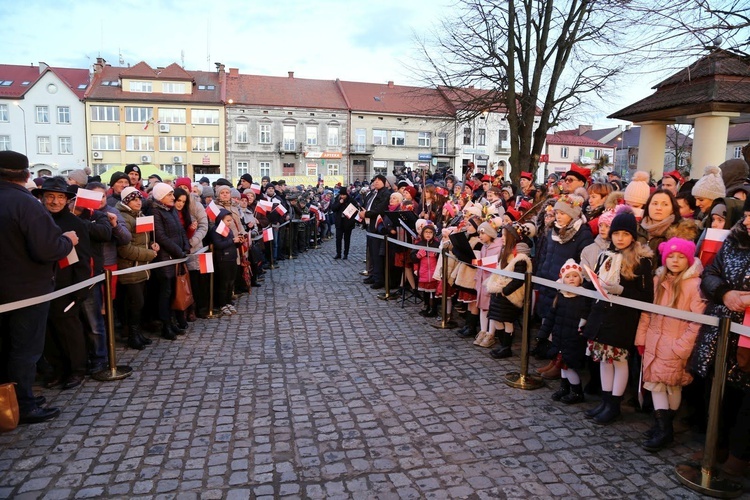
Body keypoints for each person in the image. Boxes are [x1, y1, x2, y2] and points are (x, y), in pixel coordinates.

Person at [0, 152, 76, 423]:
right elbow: (47, 249)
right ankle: (23, 403)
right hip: (26, 291)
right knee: (25, 350)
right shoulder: (26, 203)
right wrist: (68, 241)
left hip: (8, 291)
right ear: (26, 174)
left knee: (7, 347)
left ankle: (9, 398)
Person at [690, 198, 750, 475]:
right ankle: (717, 443)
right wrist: (725, 293)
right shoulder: (733, 239)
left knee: (745, 397)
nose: (746, 221)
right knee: (717, 390)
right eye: (746, 214)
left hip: (747, 334)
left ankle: (740, 456)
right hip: (722, 327)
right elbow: (711, 272)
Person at [582, 208, 654, 425]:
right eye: (616, 234)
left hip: (623, 318)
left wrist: (621, 291)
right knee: (604, 360)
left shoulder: (642, 261)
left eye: (625, 234)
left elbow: (646, 296)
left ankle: (614, 405)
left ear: (633, 236)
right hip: (602, 314)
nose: (620, 238)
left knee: (619, 361)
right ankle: (605, 401)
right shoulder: (605, 255)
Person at [634, 237, 705, 452]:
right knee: (656, 383)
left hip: (675, 344)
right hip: (655, 342)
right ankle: (663, 427)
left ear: (689, 259)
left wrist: (682, 346)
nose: (675, 260)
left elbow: (699, 321)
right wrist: (642, 338)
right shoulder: (658, 281)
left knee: (672, 384)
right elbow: (647, 312)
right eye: (671, 256)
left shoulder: (694, 285)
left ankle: (665, 426)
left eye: (680, 256)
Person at [33, 177, 92, 392]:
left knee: (69, 329)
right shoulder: (37, 220)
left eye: (59, 197)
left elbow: (84, 259)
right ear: (42, 198)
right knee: (48, 331)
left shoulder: (75, 223)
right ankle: (58, 369)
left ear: (67, 200)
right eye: (50, 196)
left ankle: (77, 369)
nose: (55, 201)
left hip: (67, 286)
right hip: (40, 286)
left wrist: (80, 290)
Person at [539, 259, 590, 404]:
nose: (571, 279)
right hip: (559, 337)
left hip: (573, 339)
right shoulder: (560, 296)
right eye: (568, 276)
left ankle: (576, 391)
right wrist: (542, 334)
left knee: (569, 367)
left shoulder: (583, 297)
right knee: (562, 365)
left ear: (580, 278)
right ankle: (564, 387)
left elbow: (586, 317)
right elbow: (551, 317)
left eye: (574, 276)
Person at [116, 187, 159, 349]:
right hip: (131, 268)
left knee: (138, 303)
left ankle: (137, 333)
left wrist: (152, 245)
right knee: (135, 303)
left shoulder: (139, 215)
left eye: (139, 199)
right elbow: (124, 248)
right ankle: (132, 335)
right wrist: (149, 254)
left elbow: (142, 240)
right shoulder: (125, 218)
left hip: (141, 267)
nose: (138, 202)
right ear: (126, 201)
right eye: (134, 199)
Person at [485, 223, 533, 356]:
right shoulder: (505, 254)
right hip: (498, 292)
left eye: (505, 235)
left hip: (509, 295)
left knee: (507, 321)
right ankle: (502, 345)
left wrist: (504, 291)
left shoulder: (520, 259)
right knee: (496, 319)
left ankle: (506, 348)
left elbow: (518, 280)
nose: (502, 238)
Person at [151, 183, 189, 340]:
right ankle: (165, 325)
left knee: (173, 291)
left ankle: (172, 322)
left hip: (176, 257)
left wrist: (186, 245)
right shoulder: (155, 211)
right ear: (160, 196)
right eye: (170, 195)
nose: (173, 198)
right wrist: (177, 251)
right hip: (165, 259)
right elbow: (160, 236)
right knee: (165, 293)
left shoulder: (171, 209)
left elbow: (180, 230)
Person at [472, 221, 504, 348]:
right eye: (479, 233)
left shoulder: (498, 247)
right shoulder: (483, 246)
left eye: (483, 233)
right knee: (482, 307)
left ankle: (491, 333)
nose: (480, 235)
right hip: (482, 280)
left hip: (491, 281)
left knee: (491, 308)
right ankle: (483, 331)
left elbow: (495, 264)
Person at [360, 175, 391, 289]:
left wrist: (367, 214)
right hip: (370, 226)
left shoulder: (385, 194)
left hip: (378, 227)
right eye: (374, 181)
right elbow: (368, 205)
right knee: (372, 253)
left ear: (384, 182)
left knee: (378, 254)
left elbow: (380, 209)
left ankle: (379, 279)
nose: (376, 182)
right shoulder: (373, 193)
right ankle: (373, 274)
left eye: (378, 181)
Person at [211, 209, 242, 316]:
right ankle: (222, 303)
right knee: (223, 283)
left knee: (231, 281)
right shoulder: (216, 230)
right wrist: (233, 241)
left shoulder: (229, 230)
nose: (229, 223)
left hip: (232, 258)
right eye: (227, 221)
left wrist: (238, 242)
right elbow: (219, 245)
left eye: (230, 221)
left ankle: (228, 301)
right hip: (223, 259)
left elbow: (232, 244)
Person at [412, 223, 440, 317]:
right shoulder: (419, 244)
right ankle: (427, 306)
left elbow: (441, 258)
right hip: (423, 271)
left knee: (433, 291)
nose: (428, 234)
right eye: (426, 232)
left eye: (430, 232)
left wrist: (436, 256)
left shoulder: (437, 245)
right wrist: (418, 256)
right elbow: (412, 257)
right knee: (425, 291)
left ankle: (434, 309)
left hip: (433, 271)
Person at [331, 187, 357, 260]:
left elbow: (355, 211)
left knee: (347, 239)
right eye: (341, 195)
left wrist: (352, 221)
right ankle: (338, 253)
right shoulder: (337, 199)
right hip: (339, 222)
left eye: (344, 195)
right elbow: (333, 208)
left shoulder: (351, 200)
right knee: (338, 239)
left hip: (348, 223)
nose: (342, 196)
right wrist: (339, 203)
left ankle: (346, 254)